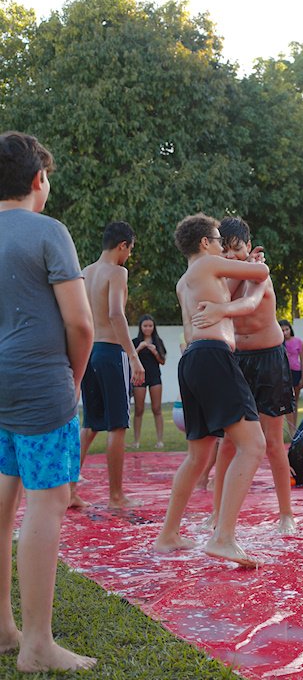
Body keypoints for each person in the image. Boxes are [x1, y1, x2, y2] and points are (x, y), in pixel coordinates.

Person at [0, 131, 96, 672]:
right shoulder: (48, 231)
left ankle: (2, 628)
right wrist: (74, 379)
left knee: (2, 502)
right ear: (39, 179)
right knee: (47, 502)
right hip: (39, 386)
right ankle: (36, 645)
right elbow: (80, 323)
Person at [153, 213, 270, 567]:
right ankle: (223, 538)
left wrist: (240, 272)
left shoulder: (186, 279)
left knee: (198, 456)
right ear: (205, 242)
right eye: (219, 240)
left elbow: (229, 287)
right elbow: (261, 274)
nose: (223, 247)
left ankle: (168, 534)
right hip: (214, 357)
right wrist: (253, 262)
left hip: (192, 361)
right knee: (253, 445)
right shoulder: (209, 264)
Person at [193, 217, 295, 534]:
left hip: (270, 358)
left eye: (238, 249)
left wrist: (246, 267)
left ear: (249, 246)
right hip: (238, 360)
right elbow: (225, 297)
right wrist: (235, 266)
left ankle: (286, 514)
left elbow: (248, 304)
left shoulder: (259, 272)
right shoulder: (226, 276)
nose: (232, 255)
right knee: (228, 443)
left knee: (274, 443)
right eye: (226, 250)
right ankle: (217, 513)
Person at [70, 222, 145, 509]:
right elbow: (115, 313)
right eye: (130, 250)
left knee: (90, 425)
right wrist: (133, 356)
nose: (129, 256)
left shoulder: (85, 272)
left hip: (89, 352)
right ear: (122, 245)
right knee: (117, 425)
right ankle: (116, 496)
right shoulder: (117, 272)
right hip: (111, 352)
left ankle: (70, 491)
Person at [132, 314, 167, 449]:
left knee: (157, 409)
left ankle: (160, 440)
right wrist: (139, 348)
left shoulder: (158, 341)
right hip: (139, 378)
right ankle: (136, 441)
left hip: (155, 377)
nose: (148, 328)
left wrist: (155, 352)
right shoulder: (135, 341)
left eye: (150, 326)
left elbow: (162, 361)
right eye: (145, 326)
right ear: (140, 327)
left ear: (154, 327)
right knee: (138, 409)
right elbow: (130, 358)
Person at [279, 319, 303, 432]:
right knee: (286, 402)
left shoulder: (298, 341)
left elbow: (302, 360)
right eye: (282, 330)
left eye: (287, 329)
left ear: (290, 329)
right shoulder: (277, 343)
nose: (285, 332)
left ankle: (294, 427)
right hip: (283, 373)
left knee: (295, 402)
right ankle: (290, 430)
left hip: (296, 372)